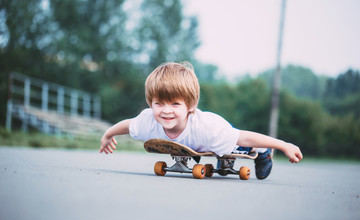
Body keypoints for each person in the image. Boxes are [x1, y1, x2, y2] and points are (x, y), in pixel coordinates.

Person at [99, 61, 303, 179]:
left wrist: (282, 145)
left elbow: (245, 137)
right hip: (195, 142)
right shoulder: (147, 121)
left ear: (191, 106)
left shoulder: (208, 129)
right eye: (159, 103)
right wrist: (108, 135)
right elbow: (128, 125)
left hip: (216, 134)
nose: (166, 111)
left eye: (175, 104)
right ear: (150, 103)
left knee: (236, 147)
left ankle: (263, 153)